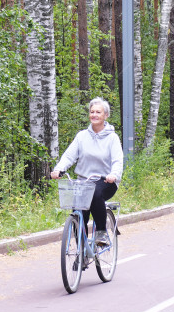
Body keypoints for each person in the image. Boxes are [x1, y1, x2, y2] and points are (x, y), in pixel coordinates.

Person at [51, 97, 123, 245]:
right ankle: (81, 252)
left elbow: (117, 161)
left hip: (105, 181)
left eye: (98, 112)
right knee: (78, 212)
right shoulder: (82, 136)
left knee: (95, 193)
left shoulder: (112, 138)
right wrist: (59, 169)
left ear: (105, 116)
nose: (94, 115)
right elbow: (69, 156)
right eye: (92, 112)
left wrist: (114, 175)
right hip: (83, 180)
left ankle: (101, 233)